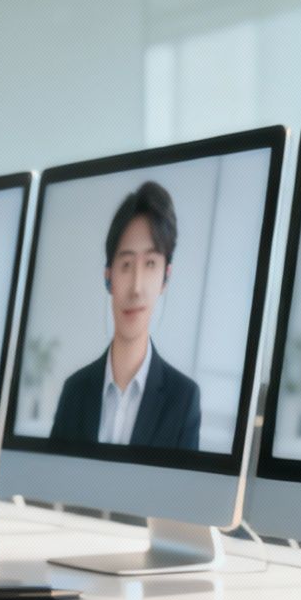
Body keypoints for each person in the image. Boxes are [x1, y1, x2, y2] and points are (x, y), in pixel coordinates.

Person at [49, 181, 202, 450]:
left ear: (166, 278)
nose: (136, 287)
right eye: (127, 264)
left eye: (151, 264)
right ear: (109, 277)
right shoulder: (74, 391)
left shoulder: (183, 399)